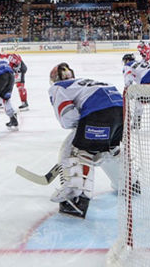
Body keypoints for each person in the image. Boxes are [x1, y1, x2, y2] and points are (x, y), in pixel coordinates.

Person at [48, 62, 123, 218]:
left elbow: (68, 117)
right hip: (121, 112)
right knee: (109, 150)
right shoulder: (84, 82)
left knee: (79, 153)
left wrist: (79, 129)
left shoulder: (58, 87)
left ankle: (77, 199)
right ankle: (128, 184)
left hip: (99, 113)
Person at [122, 53, 150, 128]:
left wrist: (127, 89)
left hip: (148, 78)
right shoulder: (140, 62)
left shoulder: (128, 65)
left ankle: (136, 123)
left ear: (127, 60)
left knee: (139, 100)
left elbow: (128, 79)